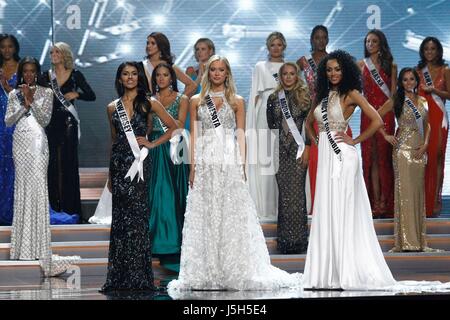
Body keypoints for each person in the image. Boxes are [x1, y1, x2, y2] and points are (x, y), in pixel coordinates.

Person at [167, 55, 301, 293]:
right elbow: (195, 137)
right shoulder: (197, 100)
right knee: (206, 213)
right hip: (206, 161)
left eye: (221, 70)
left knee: (230, 213)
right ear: (208, 74)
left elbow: (241, 135)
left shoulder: (237, 100)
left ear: (227, 73)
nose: (217, 74)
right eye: (213, 70)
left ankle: (233, 269)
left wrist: (242, 166)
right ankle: (207, 270)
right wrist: (192, 168)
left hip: (229, 160)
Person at [303, 50, 396, 289]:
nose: (333, 73)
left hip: (342, 156)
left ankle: (345, 270)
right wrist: (315, 138)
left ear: (345, 71)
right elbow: (307, 123)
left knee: (342, 210)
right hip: (325, 154)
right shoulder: (322, 95)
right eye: (329, 69)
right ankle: (329, 271)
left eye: (338, 69)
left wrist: (355, 141)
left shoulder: (351, 93)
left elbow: (376, 120)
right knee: (327, 209)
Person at [100, 61, 177, 292]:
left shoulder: (149, 103)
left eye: (134, 74)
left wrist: (152, 143)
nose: (130, 77)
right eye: (126, 74)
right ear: (120, 78)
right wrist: (110, 175)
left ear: (139, 77)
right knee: (122, 222)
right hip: (120, 165)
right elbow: (114, 141)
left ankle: (139, 277)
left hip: (140, 164)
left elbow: (174, 126)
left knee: (138, 220)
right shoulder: (112, 107)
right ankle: (120, 277)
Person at [6, 56, 79, 276]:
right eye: (25, 71)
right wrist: (23, 104)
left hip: (38, 144)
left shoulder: (46, 93)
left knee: (38, 189)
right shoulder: (13, 94)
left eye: (32, 71)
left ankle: (38, 246)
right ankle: (21, 247)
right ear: (21, 72)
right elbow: (9, 120)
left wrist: (32, 101)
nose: (29, 75)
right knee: (22, 189)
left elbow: (44, 119)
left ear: (37, 72)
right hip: (20, 143)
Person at [378, 67, 437, 252]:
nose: (409, 82)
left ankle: (419, 241)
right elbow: (375, 116)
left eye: (412, 79)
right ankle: (404, 242)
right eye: (405, 80)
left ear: (417, 82)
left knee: (417, 194)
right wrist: (386, 135)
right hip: (402, 150)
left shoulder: (423, 101)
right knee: (404, 195)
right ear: (401, 82)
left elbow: (428, 127)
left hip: (419, 150)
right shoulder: (396, 100)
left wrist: (426, 144)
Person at [297, 25, 352, 214]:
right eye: (317, 37)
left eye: (324, 37)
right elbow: (288, 80)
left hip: (336, 114)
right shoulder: (303, 62)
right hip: (315, 114)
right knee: (316, 163)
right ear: (312, 39)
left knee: (337, 163)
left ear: (328, 39)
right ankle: (318, 207)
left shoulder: (333, 61)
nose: (320, 41)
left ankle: (337, 207)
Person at [44, 42, 96, 217]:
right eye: (51, 52)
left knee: (68, 164)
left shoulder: (75, 75)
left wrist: (77, 94)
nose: (53, 54)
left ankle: (70, 208)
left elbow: (91, 95)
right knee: (52, 165)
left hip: (68, 124)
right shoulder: (46, 76)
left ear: (64, 54)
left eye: (57, 51)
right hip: (50, 124)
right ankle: (54, 207)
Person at [147, 62, 189, 272]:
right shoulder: (148, 100)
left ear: (172, 78)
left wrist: (159, 110)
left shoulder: (182, 99)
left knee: (175, 193)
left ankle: (174, 243)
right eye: (158, 75)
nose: (162, 78)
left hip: (174, 145)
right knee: (158, 194)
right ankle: (157, 242)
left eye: (165, 75)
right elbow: (147, 126)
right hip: (154, 146)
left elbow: (180, 124)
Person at [266, 62, 311, 254]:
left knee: (297, 196)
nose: (288, 77)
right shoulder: (273, 98)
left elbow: (309, 126)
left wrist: (307, 147)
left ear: (297, 76)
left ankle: (299, 240)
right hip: (279, 152)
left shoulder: (305, 97)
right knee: (284, 197)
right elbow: (271, 124)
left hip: (299, 150)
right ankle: (284, 240)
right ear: (281, 76)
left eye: (292, 74)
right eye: (285, 74)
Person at [247, 31, 286, 220]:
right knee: (266, 158)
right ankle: (265, 205)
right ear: (268, 47)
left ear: (284, 46)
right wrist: (251, 122)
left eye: (279, 44)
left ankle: (283, 206)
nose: (276, 48)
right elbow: (255, 94)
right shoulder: (260, 66)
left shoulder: (289, 66)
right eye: (273, 45)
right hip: (264, 112)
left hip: (285, 111)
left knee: (282, 157)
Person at [357, 29, 397, 218]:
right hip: (367, 115)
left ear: (381, 43)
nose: (370, 44)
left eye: (373, 41)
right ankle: (374, 202)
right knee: (371, 159)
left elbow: (394, 96)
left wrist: (377, 115)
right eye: (367, 42)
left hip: (386, 114)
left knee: (384, 158)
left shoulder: (392, 65)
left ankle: (386, 201)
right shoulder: (360, 65)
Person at [416, 37, 450, 217]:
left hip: (439, 117)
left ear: (438, 51)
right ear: (423, 51)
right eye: (426, 49)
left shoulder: (445, 70)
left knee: (437, 156)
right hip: (421, 117)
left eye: (433, 49)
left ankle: (435, 198)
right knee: (423, 157)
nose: (430, 52)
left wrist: (434, 90)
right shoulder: (417, 71)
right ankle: (422, 198)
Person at [139, 32, 197, 97]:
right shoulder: (141, 66)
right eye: (148, 43)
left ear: (161, 45)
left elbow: (192, 85)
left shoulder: (170, 66)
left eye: (153, 43)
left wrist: (177, 103)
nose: (148, 46)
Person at [0, 34, 19, 225]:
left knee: (14, 162)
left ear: (15, 48)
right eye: (3, 47)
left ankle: (15, 208)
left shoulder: (23, 68)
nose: (6, 50)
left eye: (10, 46)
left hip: (16, 120)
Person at [185, 38, 216, 131]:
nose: (199, 52)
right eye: (197, 49)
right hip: (192, 114)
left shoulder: (217, 70)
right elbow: (186, 96)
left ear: (210, 51)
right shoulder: (190, 70)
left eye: (203, 49)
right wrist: (199, 77)